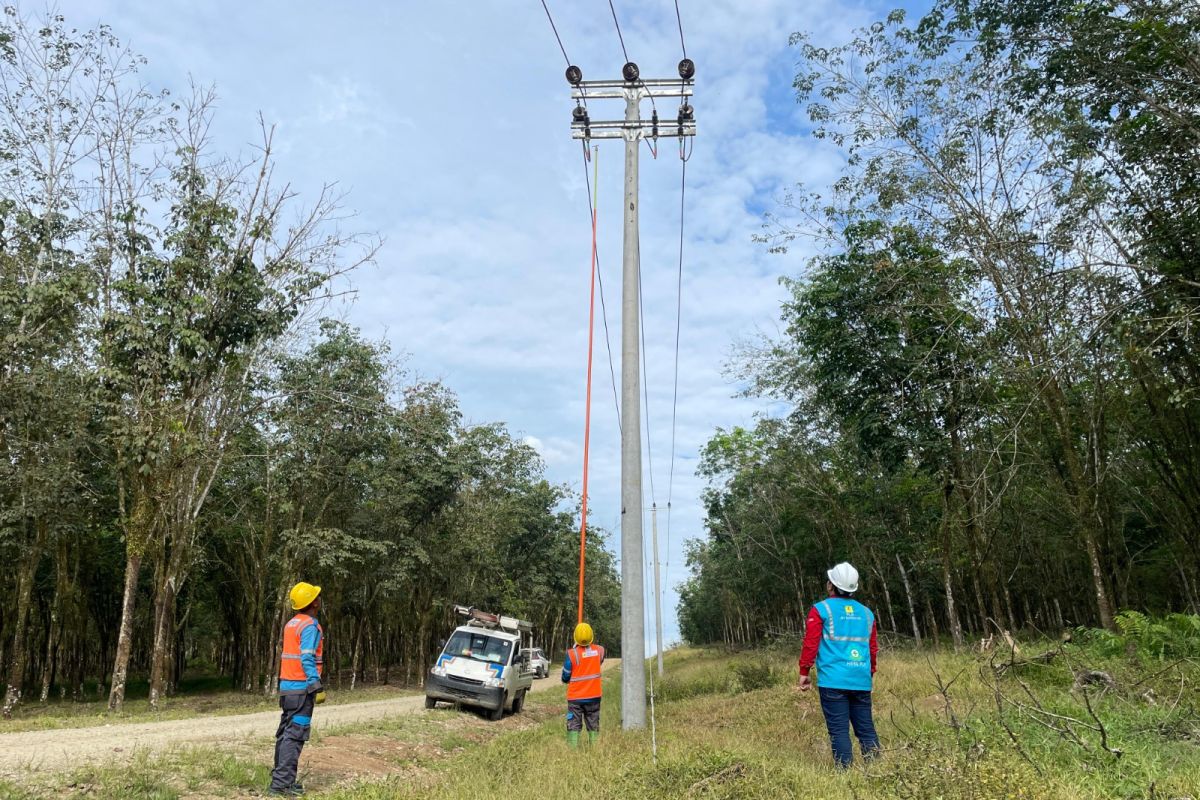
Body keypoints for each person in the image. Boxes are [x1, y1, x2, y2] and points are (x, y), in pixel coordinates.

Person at [797, 562, 880, 769]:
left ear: (830, 585)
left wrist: (804, 671)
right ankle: (878, 770)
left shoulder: (820, 609)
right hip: (861, 680)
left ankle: (845, 775)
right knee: (866, 729)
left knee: (839, 731)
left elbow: (811, 643)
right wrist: (869, 674)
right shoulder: (867, 613)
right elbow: (872, 649)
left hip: (832, 681)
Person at [269, 582, 327, 796]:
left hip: (287, 688)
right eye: (316, 596)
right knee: (294, 736)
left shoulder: (292, 623)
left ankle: (282, 778)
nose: (319, 598)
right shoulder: (310, 625)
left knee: (285, 734)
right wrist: (316, 685)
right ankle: (281, 785)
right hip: (302, 690)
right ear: (313, 602)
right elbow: (307, 657)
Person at [561, 621, 604, 747]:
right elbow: (598, 661)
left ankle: (573, 751)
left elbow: (565, 676)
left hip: (575, 698)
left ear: (575, 636)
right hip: (594, 696)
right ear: (592, 636)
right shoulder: (600, 650)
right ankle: (594, 748)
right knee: (593, 722)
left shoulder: (571, 654)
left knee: (573, 723)